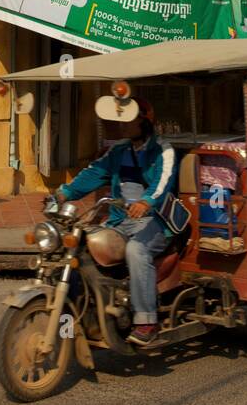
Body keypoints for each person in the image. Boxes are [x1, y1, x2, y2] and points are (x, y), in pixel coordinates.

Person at [54, 92, 177, 345]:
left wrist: (146, 202)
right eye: (121, 120)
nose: (122, 125)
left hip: (154, 222)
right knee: (82, 244)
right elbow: (93, 173)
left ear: (144, 121)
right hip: (119, 220)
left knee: (136, 250)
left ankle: (146, 322)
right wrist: (63, 194)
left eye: (128, 119)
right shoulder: (118, 151)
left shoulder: (164, 150)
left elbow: (163, 183)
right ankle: (82, 310)